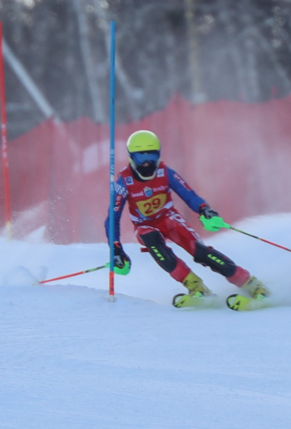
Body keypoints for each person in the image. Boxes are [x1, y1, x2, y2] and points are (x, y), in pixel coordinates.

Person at [106, 130, 270, 309]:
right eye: (140, 157)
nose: (146, 163)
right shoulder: (124, 182)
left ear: (159, 155)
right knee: (153, 243)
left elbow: (189, 195)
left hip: (168, 218)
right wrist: (116, 249)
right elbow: (112, 219)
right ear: (131, 158)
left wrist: (204, 209)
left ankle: (252, 284)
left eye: (151, 157)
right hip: (144, 224)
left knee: (201, 252)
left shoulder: (165, 173)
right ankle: (196, 287)